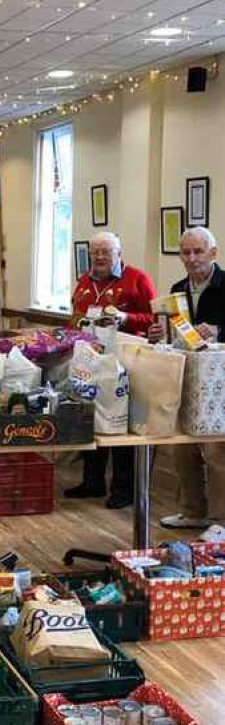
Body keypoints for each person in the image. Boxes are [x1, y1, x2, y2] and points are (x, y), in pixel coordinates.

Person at [64, 231, 157, 509]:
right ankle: (92, 482)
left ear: (119, 252)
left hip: (125, 363)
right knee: (93, 420)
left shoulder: (137, 279)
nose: (100, 257)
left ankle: (124, 489)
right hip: (90, 362)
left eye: (106, 251)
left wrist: (126, 317)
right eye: (95, 252)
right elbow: (75, 316)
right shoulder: (84, 281)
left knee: (120, 425)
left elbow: (154, 318)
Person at [150, 227, 225, 530]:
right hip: (187, 376)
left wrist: (219, 331)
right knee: (182, 445)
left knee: (217, 450)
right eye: (186, 252)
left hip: (219, 383)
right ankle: (193, 511)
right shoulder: (178, 288)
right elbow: (177, 334)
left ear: (213, 253)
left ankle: (220, 520)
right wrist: (158, 334)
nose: (192, 258)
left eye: (198, 251)